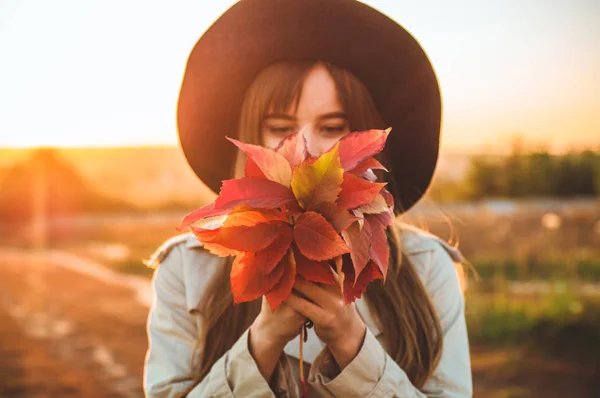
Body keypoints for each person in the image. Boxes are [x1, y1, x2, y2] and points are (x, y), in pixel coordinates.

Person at [143, 0, 472, 397]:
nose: (306, 149)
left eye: (333, 127)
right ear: (250, 142)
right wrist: (261, 342)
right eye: (279, 127)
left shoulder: (425, 268)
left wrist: (353, 344)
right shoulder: (186, 270)